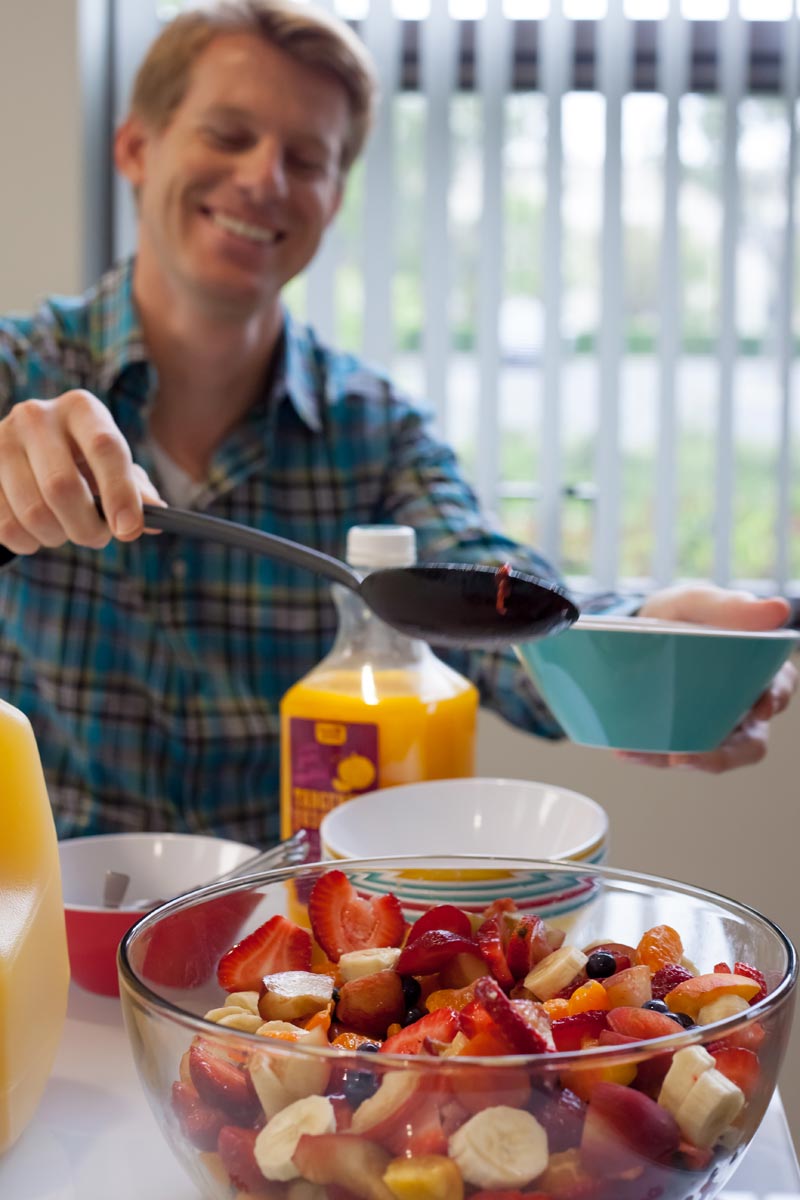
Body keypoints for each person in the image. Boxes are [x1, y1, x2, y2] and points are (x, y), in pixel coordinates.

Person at [0, 0, 794, 845]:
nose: (266, 177)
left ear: (334, 197)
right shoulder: (18, 376)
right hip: (42, 930)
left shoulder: (375, 430)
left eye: (306, 158)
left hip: (285, 947)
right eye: (229, 136)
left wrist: (647, 632)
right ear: (136, 148)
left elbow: (492, 595)